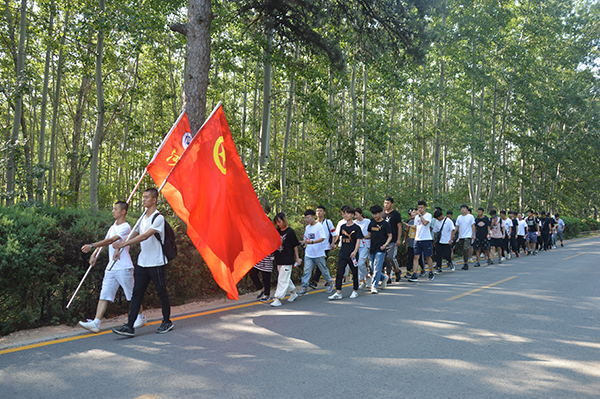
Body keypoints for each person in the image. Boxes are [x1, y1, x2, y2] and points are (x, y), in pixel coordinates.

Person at [112, 188, 173, 337]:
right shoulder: (142, 218)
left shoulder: (158, 218)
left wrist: (124, 244)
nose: (143, 199)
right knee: (136, 294)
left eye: (146, 197)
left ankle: (166, 321)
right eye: (143, 197)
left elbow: (145, 236)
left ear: (154, 200)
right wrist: (120, 246)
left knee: (161, 292)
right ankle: (129, 326)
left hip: (157, 262)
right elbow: (134, 233)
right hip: (143, 263)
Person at [78, 201, 146, 333]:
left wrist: (92, 245)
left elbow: (111, 240)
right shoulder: (113, 226)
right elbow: (105, 242)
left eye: (115, 209)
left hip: (123, 267)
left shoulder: (125, 227)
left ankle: (140, 317)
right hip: (111, 267)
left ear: (123, 212)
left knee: (131, 294)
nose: (113, 211)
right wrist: (95, 254)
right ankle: (96, 323)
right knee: (104, 294)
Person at [329, 207, 363, 300]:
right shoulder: (342, 226)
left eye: (348, 213)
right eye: (344, 213)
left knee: (355, 273)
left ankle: (355, 290)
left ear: (352, 215)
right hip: (343, 253)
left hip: (352, 254)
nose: (345, 215)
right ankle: (338, 292)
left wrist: (355, 251)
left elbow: (358, 240)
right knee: (339, 273)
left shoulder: (356, 227)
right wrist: (333, 244)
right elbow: (339, 238)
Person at [298, 209, 334, 296]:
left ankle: (329, 283)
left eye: (308, 218)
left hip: (319, 253)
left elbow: (323, 238)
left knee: (323, 269)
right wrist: (304, 243)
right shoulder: (307, 227)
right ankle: (304, 287)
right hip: (309, 253)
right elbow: (307, 239)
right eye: (305, 218)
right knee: (306, 270)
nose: (307, 220)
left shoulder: (319, 226)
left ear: (313, 217)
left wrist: (312, 242)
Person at [271, 213, 301, 307]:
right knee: (284, 277)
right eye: (276, 222)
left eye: (279, 221)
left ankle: (278, 298)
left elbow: (295, 246)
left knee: (282, 279)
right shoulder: (277, 231)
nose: (278, 224)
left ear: (284, 220)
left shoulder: (290, 232)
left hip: (288, 258)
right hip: (279, 258)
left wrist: (297, 258)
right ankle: (293, 292)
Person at [308, 205, 337, 289]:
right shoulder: (313, 223)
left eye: (320, 211)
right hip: (315, 248)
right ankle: (328, 281)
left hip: (325, 247)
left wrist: (333, 243)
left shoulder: (328, 222)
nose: (318, 212)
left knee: (320, 264)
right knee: (320, 265)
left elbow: (334, 234)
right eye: (317, 211)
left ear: (324, 212)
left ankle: (315, 281)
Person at [366, 205, 392, 294]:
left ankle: (374, 286)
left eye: (376, 214)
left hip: (381, 249)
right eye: (373, 214)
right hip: (372, 248)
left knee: (377, 268)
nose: (374, 216)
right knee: (372, 269)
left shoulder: (385, 224)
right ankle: (384, 278)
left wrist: (385, 244)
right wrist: (362, 237)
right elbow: (369, 234)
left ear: (381, 213)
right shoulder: (371, 223)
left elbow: (390, 236)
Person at [408, 201, 434, 282]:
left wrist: (420, 215)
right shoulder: (416, 217)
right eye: (418, 207)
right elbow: (417, 227)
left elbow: (425, 223)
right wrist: (410, 227)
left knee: (428, 257)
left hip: (426, 239)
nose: (419, 209)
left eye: (421, 208)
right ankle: (414, 274)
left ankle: (431, 272)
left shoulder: (428, 215)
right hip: (417, 239)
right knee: (416, 257)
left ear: (425, 207)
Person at [383, 197, 403, 283]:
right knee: (385, 258)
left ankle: (397, 271)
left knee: (391, 257)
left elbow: (399, 226)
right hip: (384, 240)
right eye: (385, 203)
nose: (386, 205)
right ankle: (388, 277)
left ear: (392, 204)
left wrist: (399, 239)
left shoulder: (396, 214)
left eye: (388, 203)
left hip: (393, 240)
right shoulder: (382, 215)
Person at [403, 209, 424, 278]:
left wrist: (409, 226)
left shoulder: (419, 221)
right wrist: (405, 240)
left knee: (419, 257)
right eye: (411, 213)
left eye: (414, 212)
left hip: (418, 241)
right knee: (410, 257)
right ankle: (409, 271)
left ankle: (422, 269)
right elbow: (407, 231)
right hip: (410, 241)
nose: (412, 214)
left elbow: (418, 229)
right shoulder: (409, 221)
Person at [354, 208, 371, 289]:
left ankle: (367, 277)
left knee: (361, 263)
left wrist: (363, 236)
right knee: (356, 264)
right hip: (355, 246)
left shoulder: (367, 221)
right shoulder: (354, 223)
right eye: (354, 215)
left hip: (365, 245)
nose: (355, 216)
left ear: (361, 213)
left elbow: (370, 234)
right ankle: (362, 281)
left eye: (356, 214)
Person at [455, 204, 475, 270]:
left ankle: (466, 263)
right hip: (461, 236)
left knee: (466, 249)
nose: (462, 209)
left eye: (464, 208)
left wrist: (473, 235)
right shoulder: (459, 217)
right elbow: (457, 227)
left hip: (468, 236)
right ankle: (465, 262)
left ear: (467, 209)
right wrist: (453, 234)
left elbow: (473, 226)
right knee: (463, 250)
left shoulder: (470, 217)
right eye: (461, 208)